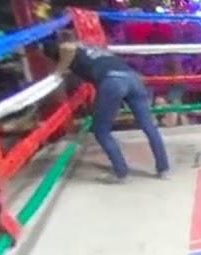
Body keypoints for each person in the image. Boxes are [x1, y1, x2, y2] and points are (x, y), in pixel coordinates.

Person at [43, 35, 170, 183]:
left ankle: (121, 173)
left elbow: (68, 48)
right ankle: (164, 169)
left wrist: (58, 72)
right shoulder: (90, 46)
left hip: (113, 81)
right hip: (133, 79)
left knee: (101, 131)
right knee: (149, 126)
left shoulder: (67, 47)